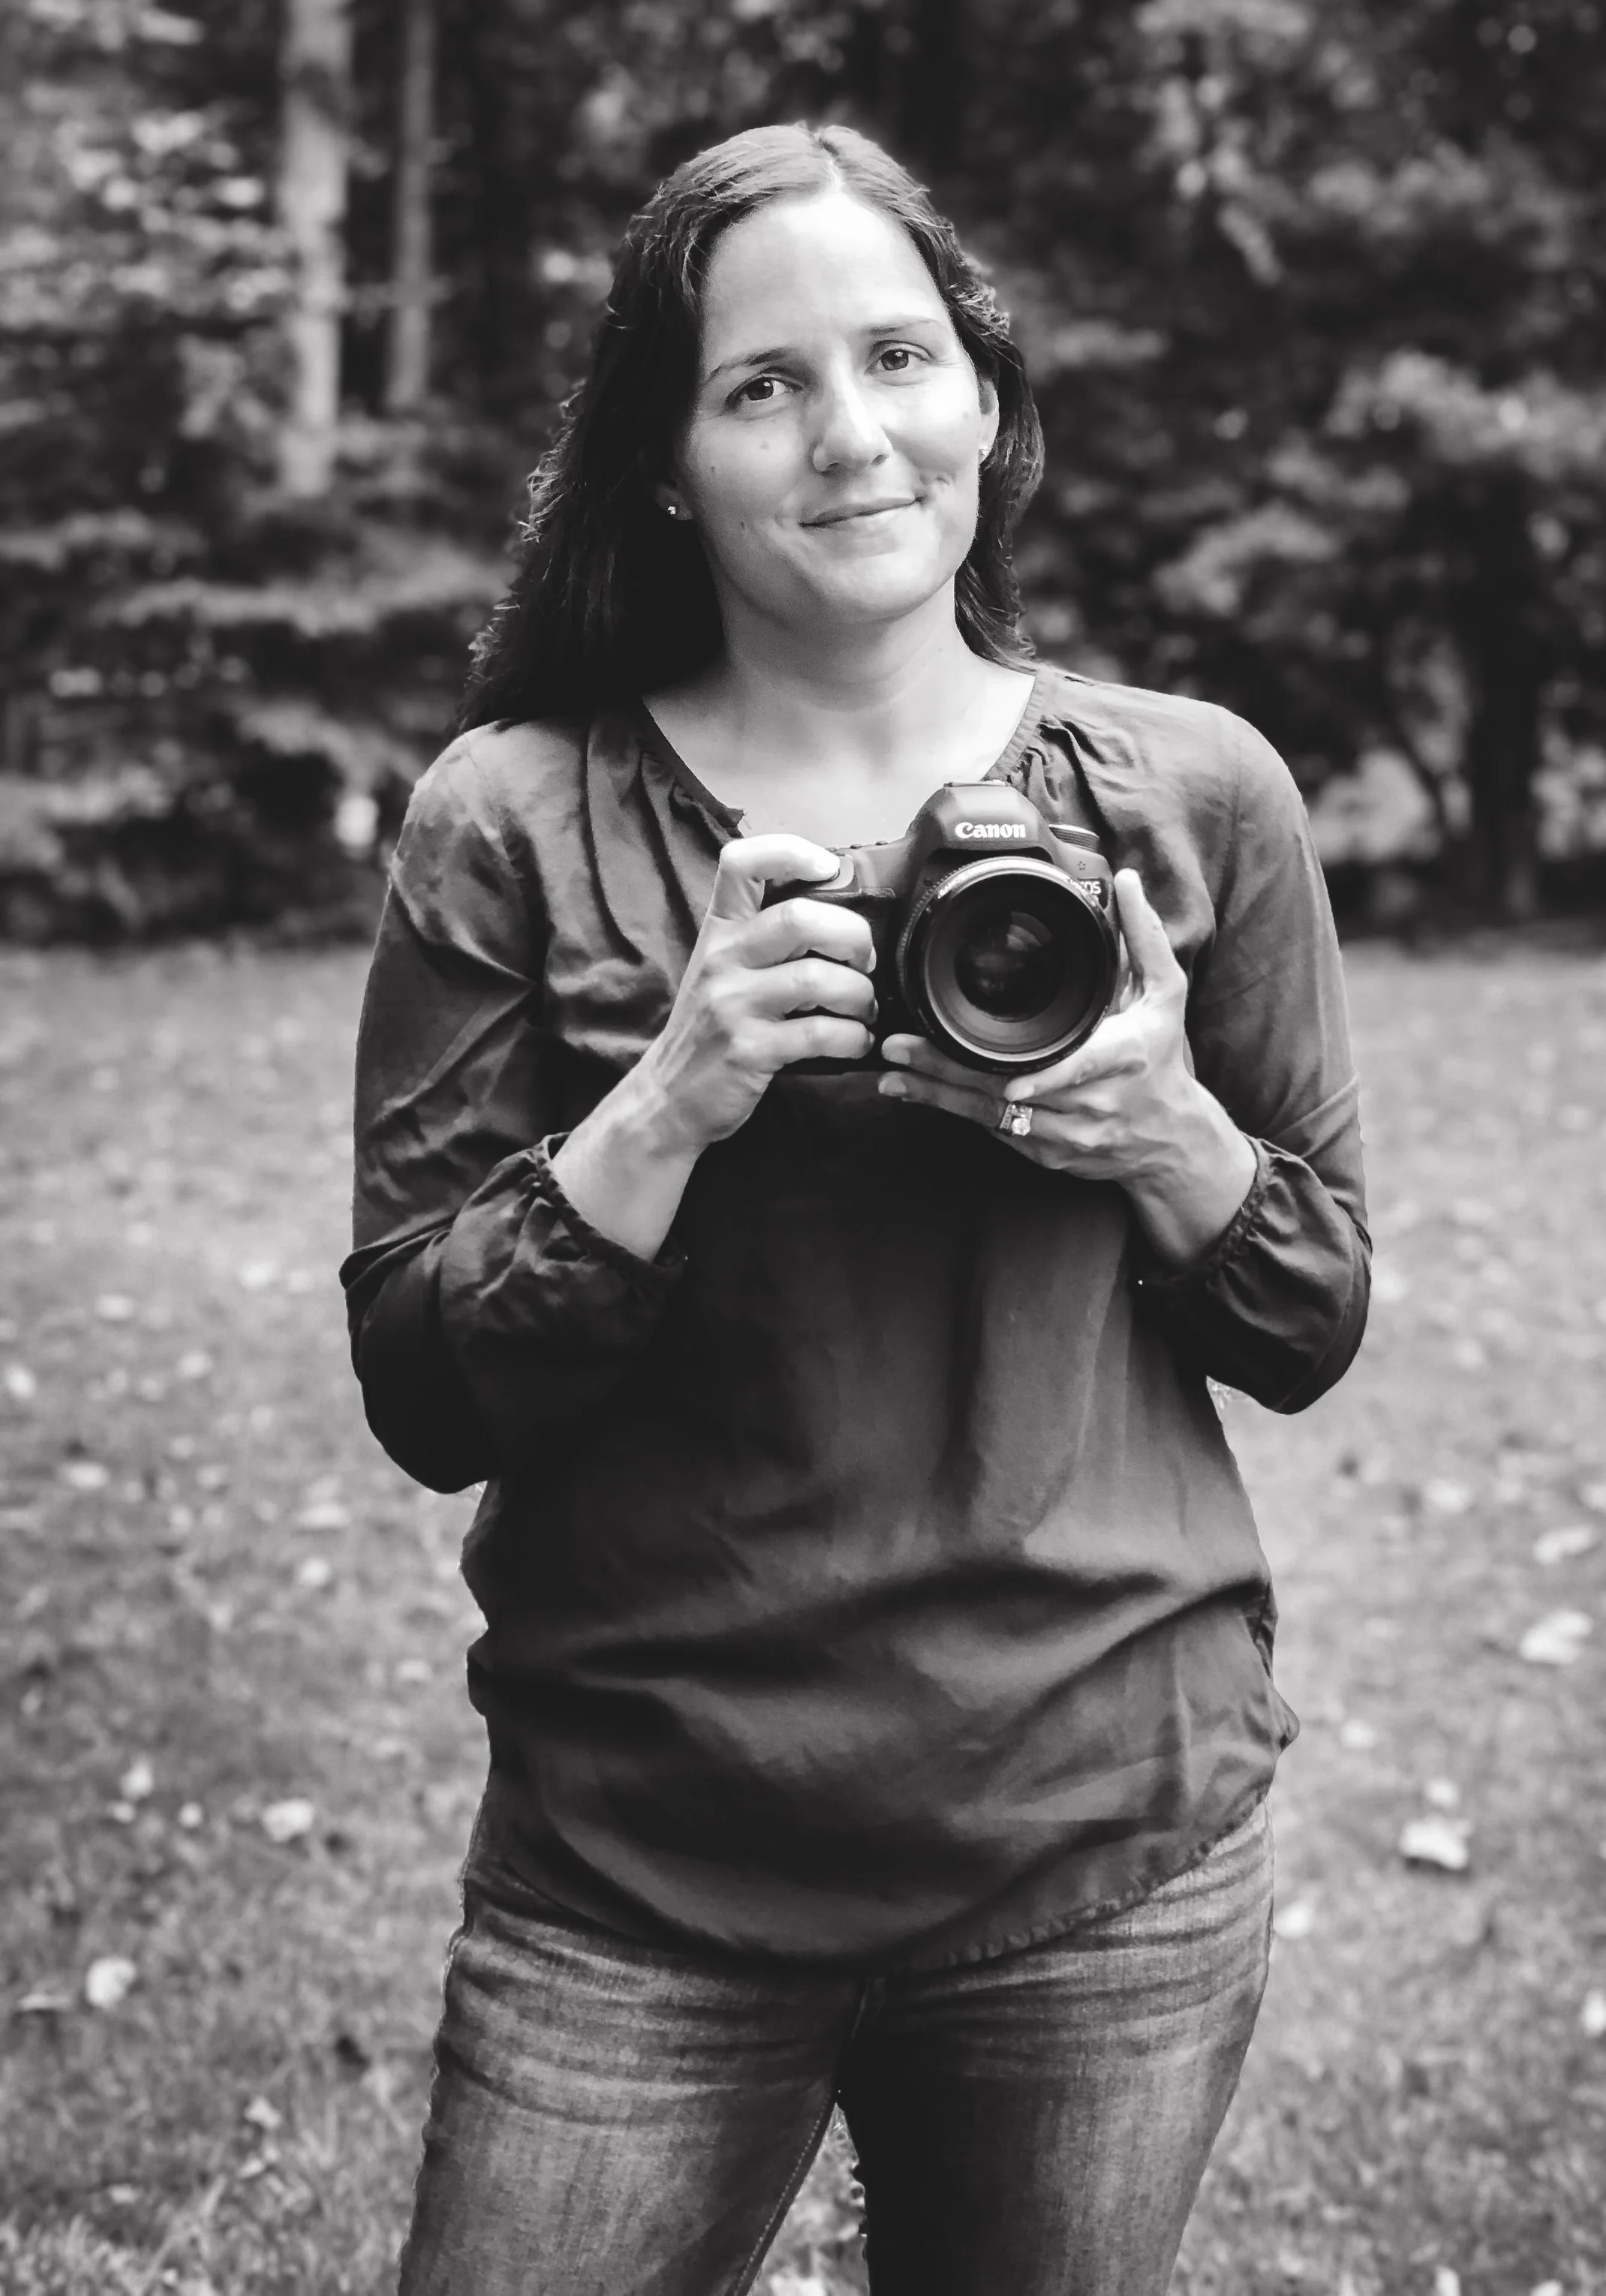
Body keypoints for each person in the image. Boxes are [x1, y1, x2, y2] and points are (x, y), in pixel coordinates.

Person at [344, 122, 1369, 2296]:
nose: (849, 434)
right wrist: (675, 1093)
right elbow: (426, 1384)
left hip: (1103, 1840)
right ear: (664, 462)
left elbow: (1308, 1314)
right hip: (640, 1865)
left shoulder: (1192, 796)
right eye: (759, 384)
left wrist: (1161, 1129)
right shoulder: (513, 820)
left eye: (897, 356)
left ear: (983, 401)